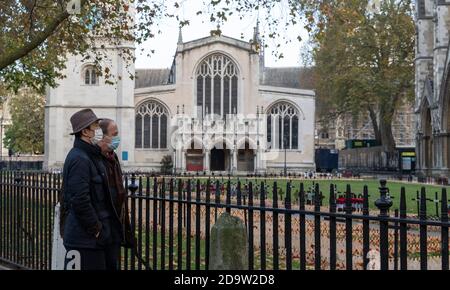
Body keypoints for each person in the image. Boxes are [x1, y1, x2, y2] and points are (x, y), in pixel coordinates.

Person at [62, 109, 123, 270]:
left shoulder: (89, 156)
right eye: (95, 126)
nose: (98, 131)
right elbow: (79, 199)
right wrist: (96, 230)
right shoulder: (79, 158)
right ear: (85, 132)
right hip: (85, 241)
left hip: (96, 240)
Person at [98, 119, 134, 253]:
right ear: (103, 137)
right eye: (114, 134)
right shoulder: (95, 160)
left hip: (115, 226)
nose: (117, 138)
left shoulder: (114, 157)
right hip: (104, 227)